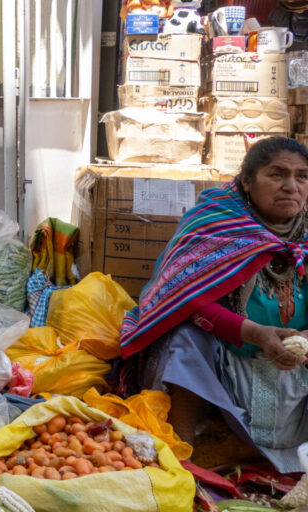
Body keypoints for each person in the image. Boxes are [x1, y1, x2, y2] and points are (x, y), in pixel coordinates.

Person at [120, 136, 308, 472]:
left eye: (302, 176)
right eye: (276, 174)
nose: (291, 186)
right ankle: (182, 460)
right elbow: (183, 298)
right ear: (247, 183)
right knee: (183, 339)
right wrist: (254, 332)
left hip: (297, 365)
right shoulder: (213, 222)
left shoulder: (304, 232)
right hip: (227, 361)